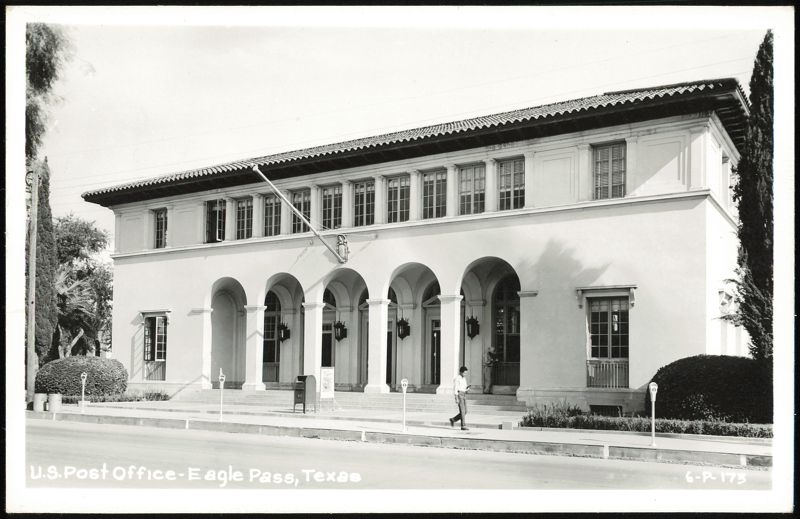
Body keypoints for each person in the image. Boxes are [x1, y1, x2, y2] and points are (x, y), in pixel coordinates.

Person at [449, 366, 469, 430]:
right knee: (462, 411)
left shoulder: (464, 378)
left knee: (465, 411)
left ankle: (453, 419)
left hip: (464, 394)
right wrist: (456, 398)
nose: (465, 374)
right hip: (459, 394)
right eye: (464, 373)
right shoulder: (457, 378)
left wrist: (467, 389)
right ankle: (463, 426)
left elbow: (464, 387)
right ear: (461, 372)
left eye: (466, 373)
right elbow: (455, 389)